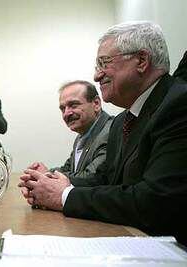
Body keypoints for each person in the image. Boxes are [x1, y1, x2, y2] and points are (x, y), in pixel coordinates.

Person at [19, 21, 187, 245]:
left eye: (104, 63)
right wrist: (55, 182)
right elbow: (109, 180)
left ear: (142, 61)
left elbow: (157, 201)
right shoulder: (121, 122)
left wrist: (63, 195)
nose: (97, 76)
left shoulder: (179, 105)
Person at [28, 80, 113, 179]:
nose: (66, 113)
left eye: (73, 105)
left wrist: (47, 176)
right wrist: (42, 173)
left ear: (96, 104)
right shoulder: (82, 136)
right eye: (63, 109)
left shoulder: (111, 131)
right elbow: (69, 169)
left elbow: (93, 176)